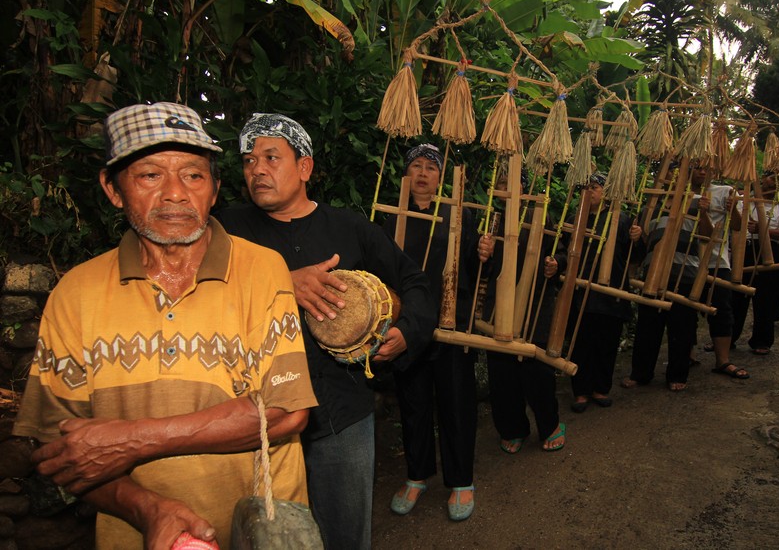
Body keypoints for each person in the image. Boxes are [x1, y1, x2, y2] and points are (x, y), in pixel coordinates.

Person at [13, 102, 317, 549]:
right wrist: (147, 508)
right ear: (113, 189)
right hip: (134, 533)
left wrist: (132, 440)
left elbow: (286, 411)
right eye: (150, 175)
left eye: (193, 175)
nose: (176, 193)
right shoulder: (75, 294)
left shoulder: (261, 270)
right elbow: (61, 454)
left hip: (262, 530)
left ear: (214, 189)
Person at [217, 113, 434, 549]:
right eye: (248, 160)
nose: (256, 169)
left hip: (343, 414)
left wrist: (407, 332)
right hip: (258, 420)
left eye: (270, 157)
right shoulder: (225, 231)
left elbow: (416, 281)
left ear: (304, 167)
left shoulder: (348, 227)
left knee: (346, 537)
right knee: (265, 537)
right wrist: (284, 282)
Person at [381, 143, 492, 521]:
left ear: (441, 178)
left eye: (431, 167)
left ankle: (461, 480)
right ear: (407, 174)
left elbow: (478, 275)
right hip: (408, 327)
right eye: (416, 165)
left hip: (450, 324)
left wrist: (484, 254)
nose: (423, 172)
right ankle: (417, 476)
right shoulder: (391, 217)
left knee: (457, 402)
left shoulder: (456, 215)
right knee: (413, 402)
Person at [482, 168, 567, 454]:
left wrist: (556, 263)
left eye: (513, 183)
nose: (508, 188)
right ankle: (513, 428)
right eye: (502, 183)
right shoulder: (491, 219)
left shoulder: (539, 215)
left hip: (535, 305)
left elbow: (561, 250)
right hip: (498, 309)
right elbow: (476, 264)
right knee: (502, 375)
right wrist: (481, 253)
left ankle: (550, 425)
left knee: (537, 373)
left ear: (524, 187)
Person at [623, 159, 707, 392]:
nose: (675, 177)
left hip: (685, 273)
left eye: (681, 173)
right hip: (653, 274)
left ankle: (677, 374)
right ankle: (641, 373)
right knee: (648, 328)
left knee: (682, 329)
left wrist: (706, 214)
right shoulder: (652, 206)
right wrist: (636, 237)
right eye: (672, 173)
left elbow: (708, 235)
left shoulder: (698, 202)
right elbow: (640, 248)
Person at [570, 173, 641, 410]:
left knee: (606, 343)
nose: (590, 192)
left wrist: (637, 239)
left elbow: (637, 256)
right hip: (582, 292)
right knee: (581, 343)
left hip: (613, 292)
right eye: (587, 187)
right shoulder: (575, 219)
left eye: (595, 187)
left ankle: (600, 388)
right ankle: (580, 391)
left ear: (606, 192)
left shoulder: (621, 220)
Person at [691, 165, 749, 379]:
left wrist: (732, 208)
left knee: (722, 309)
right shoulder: (678, 191)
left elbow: (737, 226)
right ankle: (686, 354)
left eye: (706, 168)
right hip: (685, 260)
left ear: (714, 172)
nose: (702, 172)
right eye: (697, 167)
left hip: (718, 261)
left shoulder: (725, 191)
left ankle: (722, 360)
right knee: (686, 311)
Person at [731, 171, 779, 355]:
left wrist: (762, 229)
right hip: (745, 248)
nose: (777, 181)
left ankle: (762, 340)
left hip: (771, 252)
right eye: (772, 177)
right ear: (761, 178)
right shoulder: (745, 201)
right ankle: (729, 338)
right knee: (737, 297)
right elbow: (734, 224)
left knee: (766, 299)